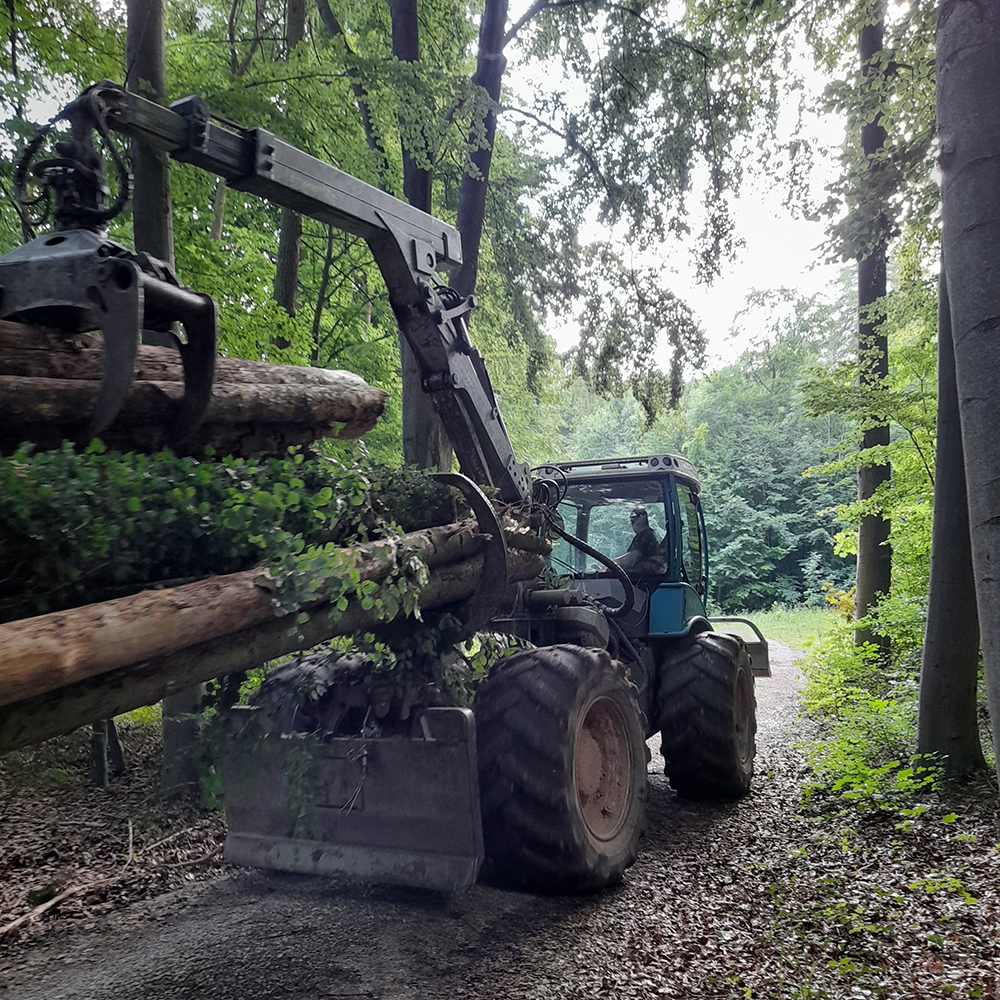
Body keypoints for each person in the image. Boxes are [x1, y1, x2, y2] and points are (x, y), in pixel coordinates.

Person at [615, 507, 664, 573]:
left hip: (643, 579)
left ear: (636, 523)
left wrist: (613, 564)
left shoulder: (645, 535)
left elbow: (633, 556)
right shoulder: (651, 534)